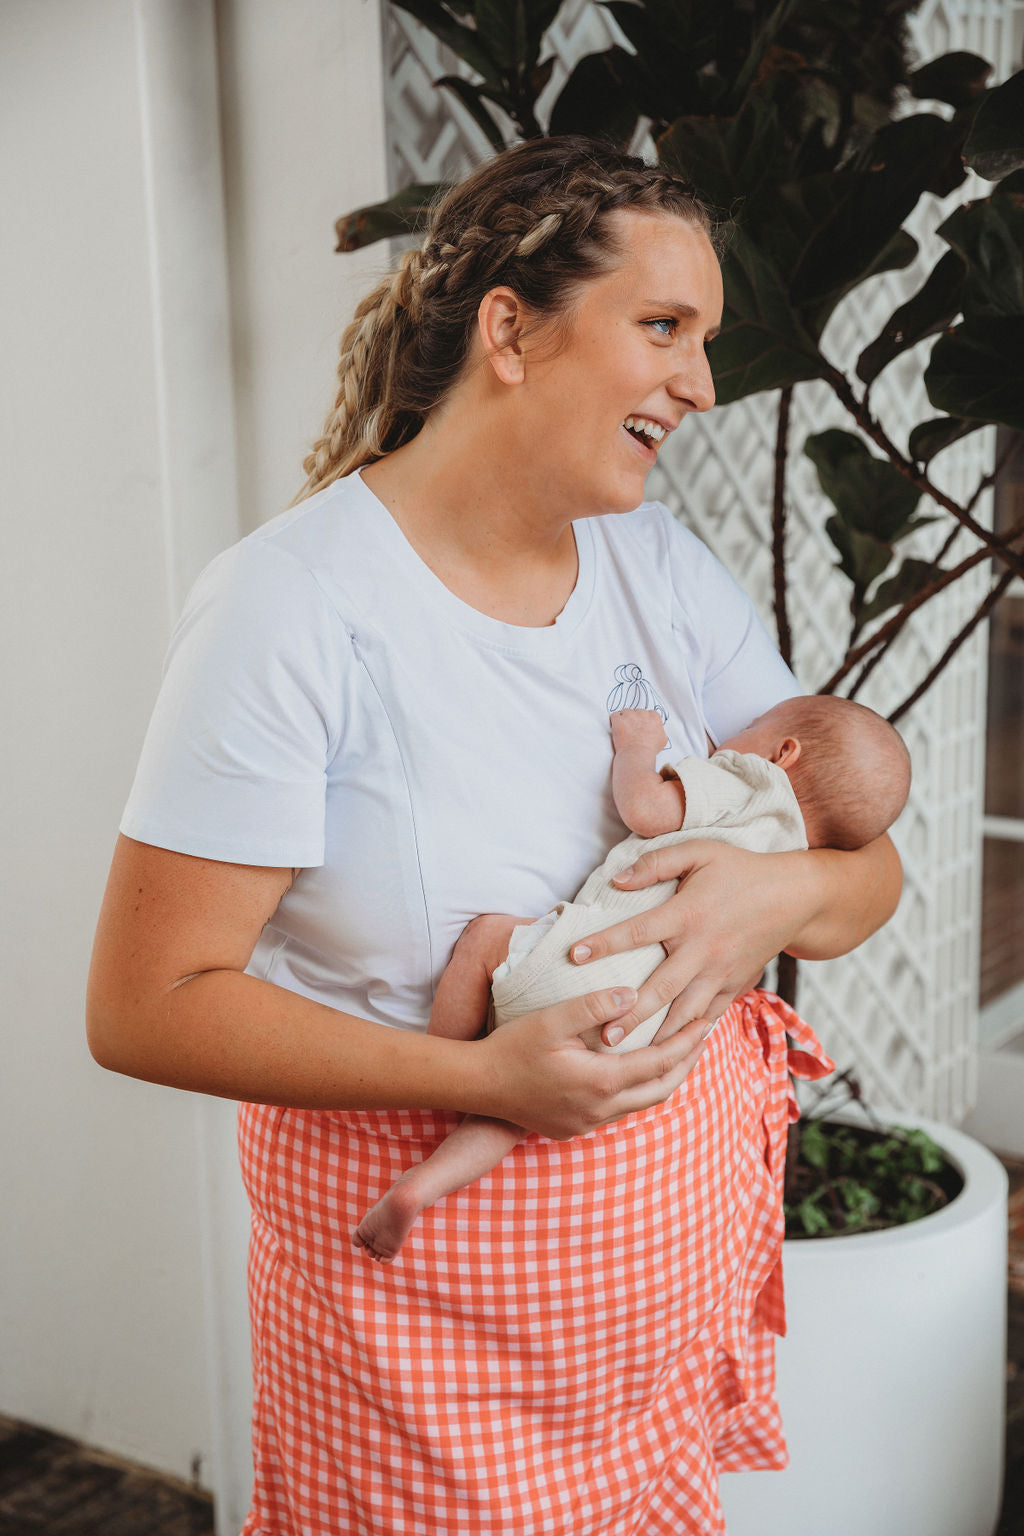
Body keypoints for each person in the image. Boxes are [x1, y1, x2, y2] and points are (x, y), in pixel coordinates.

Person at [86, 136, 903, 1536]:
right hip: (426, 1350)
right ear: (511, 330)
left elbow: (864, 863)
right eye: (664, 328)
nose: (702, 384)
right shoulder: (294, 608)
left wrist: (757, 907)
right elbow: (145, 1008)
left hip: (654, 1314)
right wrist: (488, 1076)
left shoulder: (658, 568)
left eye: (704, 339)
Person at [354, 694, 910, 1262]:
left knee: (483, 940)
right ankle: (422, 1185)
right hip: (636, 1031)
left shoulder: (751, 782)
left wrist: (638, 747)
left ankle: (443, 1072)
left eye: (749, 727)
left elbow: (645, 810)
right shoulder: (792, 853)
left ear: (784, 752)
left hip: (571, 967)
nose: (727, 739)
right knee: (513, 1111)